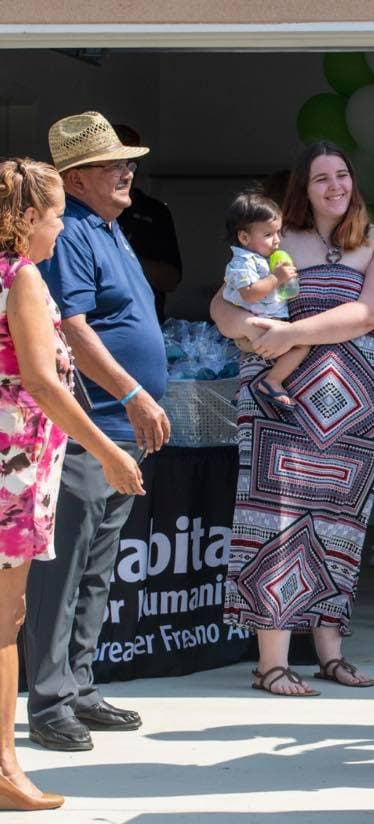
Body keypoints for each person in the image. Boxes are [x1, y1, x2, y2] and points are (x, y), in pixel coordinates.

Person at [210, 141, 374, 695]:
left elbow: (373, 312)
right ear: (303, 187)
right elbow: (224, 305)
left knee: (342, 522)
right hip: (281, 401)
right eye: (321, 178)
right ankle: (270, 662)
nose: (335, 186)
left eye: (342, 175)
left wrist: (290, 332)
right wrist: (245, 328)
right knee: (272, 518)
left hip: (359, 404)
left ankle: (330, 653)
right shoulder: (274, 240)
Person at [24, 111, 170, 753]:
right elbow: (75, 332)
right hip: (91, 429)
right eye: (114, 163)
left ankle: (78, 685)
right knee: (66, 568)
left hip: (118, 430)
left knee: (98, 567)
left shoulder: (108, 227)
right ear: (77, 178)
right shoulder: (74, 233)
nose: (127, 170)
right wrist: (134, 394)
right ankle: (50, 699)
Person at [0, 159, 143, 812]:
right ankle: (4, 766)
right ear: (28, 218)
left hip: (19, 467)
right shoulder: (22, 277)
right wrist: (107, 449)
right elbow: (43, 381)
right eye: (56, 216)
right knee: (7, 622)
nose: (61, 229)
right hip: (14, 474)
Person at [220, 192, 308, 410]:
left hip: (258, 326)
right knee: (302, 343)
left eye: (278, 232)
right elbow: (250, 293)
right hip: (260, 327)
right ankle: (272, 381)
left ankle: (245, 389)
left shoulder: (261, 259)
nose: (276, 240)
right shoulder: (242, 262)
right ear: (244, 238)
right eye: (268, 234)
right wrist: (277, 277)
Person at [114, 125, 182, 323]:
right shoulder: (79, 218)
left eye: (132, 164)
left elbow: (170, 279)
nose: (127, 174)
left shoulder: (154, 211)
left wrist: (124, 258)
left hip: (148, 320)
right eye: (117, 165)